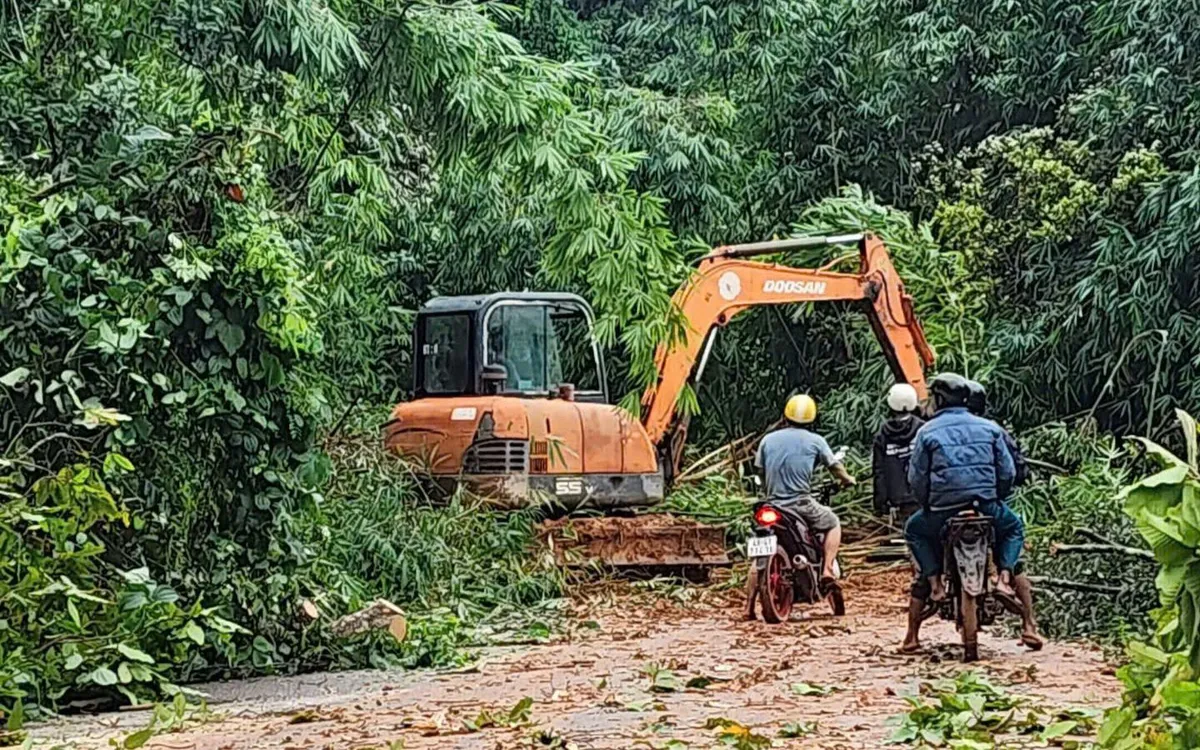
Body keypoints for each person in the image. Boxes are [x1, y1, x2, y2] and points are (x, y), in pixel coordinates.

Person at [899, 373, 1028, 653]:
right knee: (1014, 527)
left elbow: (917, 478)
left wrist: (928, 504)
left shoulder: (927, 431)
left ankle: (934, 584)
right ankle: (1005, 579)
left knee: (914, 530)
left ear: (940, 399)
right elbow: (1007, 471)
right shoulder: (990, 428)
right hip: (985, 507)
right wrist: (997, 497)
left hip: (942, 512)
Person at [965, 378, 1043, 650]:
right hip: (989, 505)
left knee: (921, 538)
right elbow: (1014, 470)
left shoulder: (933, 429)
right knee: (1012, 534)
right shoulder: (994, 430)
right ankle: (1028, 621)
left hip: (946, 508)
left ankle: (915, 625)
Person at [755, 394, 857, 592]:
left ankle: (749, 605)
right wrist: (847, 479)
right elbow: (835, 467)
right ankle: (827, 570)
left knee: (759, 541)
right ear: (812, 418)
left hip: (772, 505)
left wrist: (768, 488)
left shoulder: (767, 440)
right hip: (800, 504)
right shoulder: (816, 441)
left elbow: (760, 470)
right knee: (833, 522)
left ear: (785, 416)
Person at [872, 383, 925, 525]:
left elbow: (879, 472)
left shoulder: (882, 435)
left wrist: (880, 503)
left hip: (899, 500)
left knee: (905, 535)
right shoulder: (924, 430)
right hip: (923, 496)